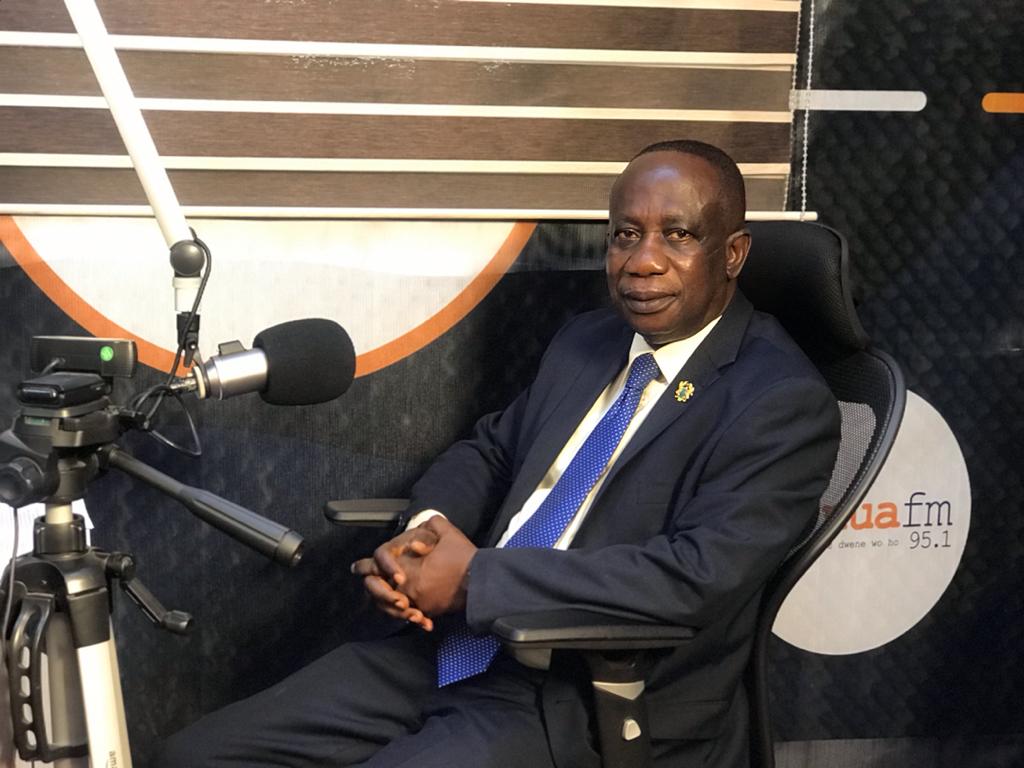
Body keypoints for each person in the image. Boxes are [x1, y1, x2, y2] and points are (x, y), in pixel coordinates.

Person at [159, 140, 840, 768]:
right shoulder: (590, 341)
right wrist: (425, 535)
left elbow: (692, 578)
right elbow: (490, 451)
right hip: (447, 648)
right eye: (625, 235)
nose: (642, 261)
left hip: (582, 698)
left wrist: (475, 580)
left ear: (733, 253)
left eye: (679, 235)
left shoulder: (780, 401)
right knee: (194, 758)